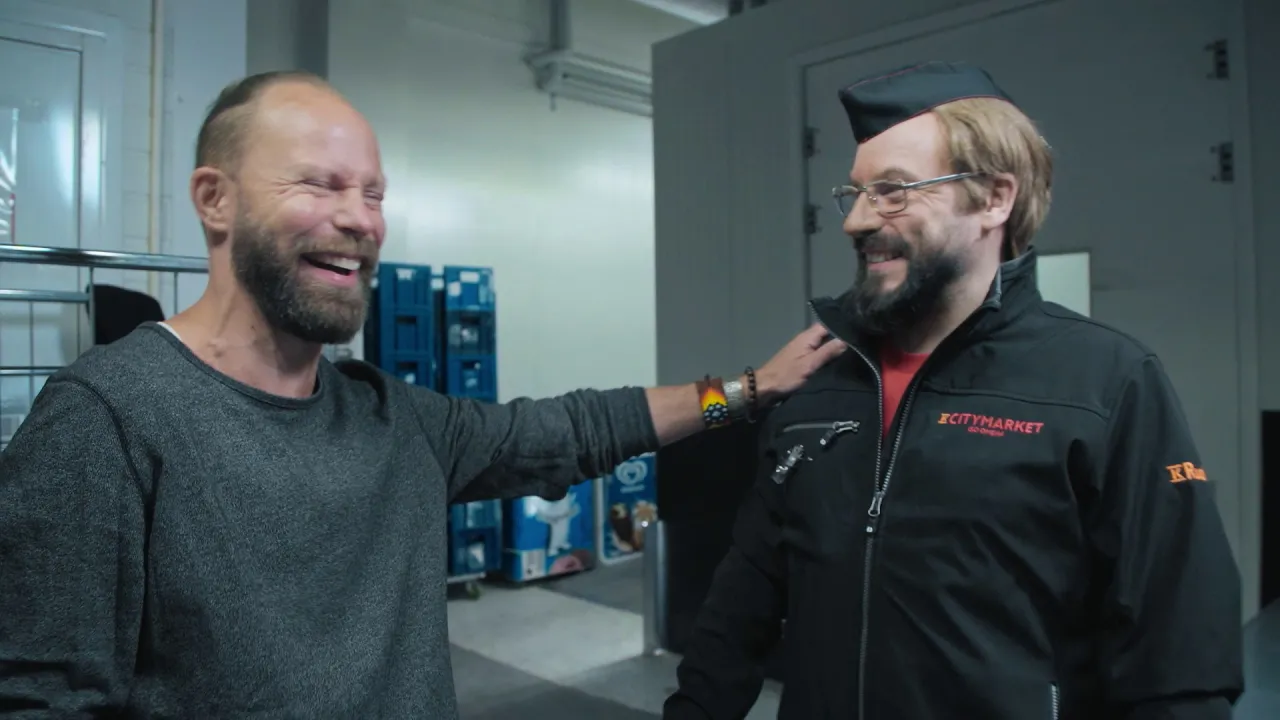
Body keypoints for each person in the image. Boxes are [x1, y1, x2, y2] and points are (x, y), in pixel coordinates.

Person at [0, 70, 847, 718]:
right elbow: (44, 700)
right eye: (320, 184)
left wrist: (747, 391)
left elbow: (584, 428)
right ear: (214, 200)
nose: (362, 219)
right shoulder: (106, 420)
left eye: (373, 193)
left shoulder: (394, 420)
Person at [663, 61, 1244, 720]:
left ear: (994, 199)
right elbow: (745, 595)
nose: (856, 221)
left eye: (892, 191)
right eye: (855, 193)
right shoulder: (818, 377)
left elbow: (1178, 656)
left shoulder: (1109, 381)